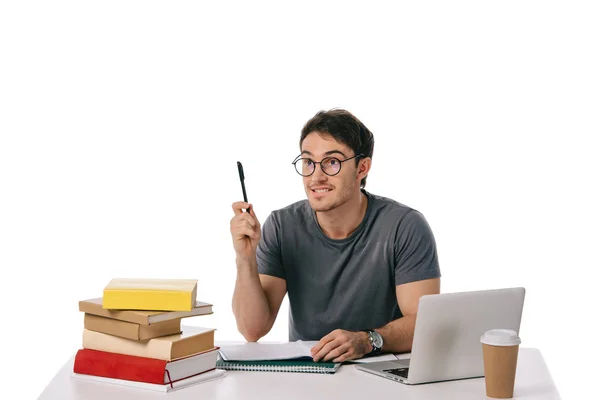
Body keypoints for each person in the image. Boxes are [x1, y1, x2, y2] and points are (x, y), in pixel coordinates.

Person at [230, 109, 441, 363]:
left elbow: (424, 324)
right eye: (308, 162)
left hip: (380, 372)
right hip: (309, 372)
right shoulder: (281, 226)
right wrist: (245, 258)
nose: (316, 176)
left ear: (362, 167)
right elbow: (252, 329)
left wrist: (367, 340)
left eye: (332, 162)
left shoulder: (404, 226)